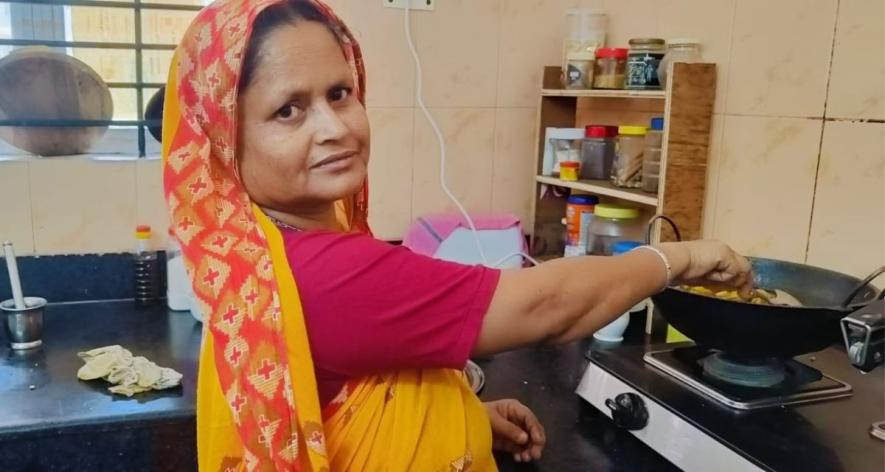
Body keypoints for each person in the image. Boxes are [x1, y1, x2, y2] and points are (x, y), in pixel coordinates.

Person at [162, 1, 753, 470]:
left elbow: (345, 394)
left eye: (340, 93)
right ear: (226, 141)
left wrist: (461, 416)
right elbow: (549, 306)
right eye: (288, 110)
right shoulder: (320, 274)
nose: (334, 127)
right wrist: (680, 255)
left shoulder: (255, 255)